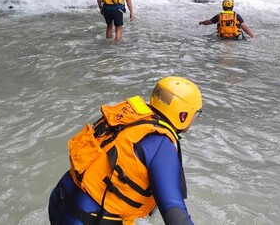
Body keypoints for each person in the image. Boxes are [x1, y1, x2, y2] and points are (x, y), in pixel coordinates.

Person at [48, 76, 203, 225]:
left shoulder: (130, 120)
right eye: (196, 114)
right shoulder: (162, 145)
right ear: (183, 115)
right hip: (87, 219)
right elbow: (175, 214)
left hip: (59, 201)